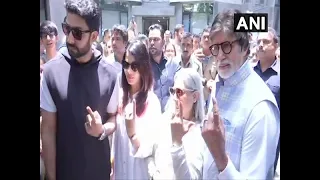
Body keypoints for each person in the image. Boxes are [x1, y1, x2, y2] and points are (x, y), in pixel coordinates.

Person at [40, 0, 119, 179]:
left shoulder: (111, 75)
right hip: (65, 173)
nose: (69, 38)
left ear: (93, 36)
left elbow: (114, 117)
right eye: (67, 29)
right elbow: (48, 131)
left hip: (99, 172)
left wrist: (102, 129)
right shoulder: (51, 73)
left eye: (77, 33)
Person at [201, 9, 280, 179]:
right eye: (215, 48)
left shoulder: (260, 107)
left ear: (245, 48)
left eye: (227, 46)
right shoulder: (218, 87)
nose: (220, 55)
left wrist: (221, 157)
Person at [111, 40, 162, 179]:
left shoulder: (152, 102)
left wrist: (133, 135)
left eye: (135, 66)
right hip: (120, 171)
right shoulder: (119, 96)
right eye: (126, 65)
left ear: (144, 67)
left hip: (140, 172)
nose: (129, 71)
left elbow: (152, 147)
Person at [148, 68, 207, 179]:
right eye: (173, 91)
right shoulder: (164, 120)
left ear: (195, 96)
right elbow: (150, 154)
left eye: (179, 92)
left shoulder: (200, 133)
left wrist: (177, 144)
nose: (174, 98)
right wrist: (154, 174)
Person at [148, 24, 181, 112]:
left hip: (169, 117)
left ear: (163, 42)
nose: (152, 43)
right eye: (150, 39)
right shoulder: (143, 66)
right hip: (149, 117)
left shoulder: (173, 66)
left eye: (155, 39)